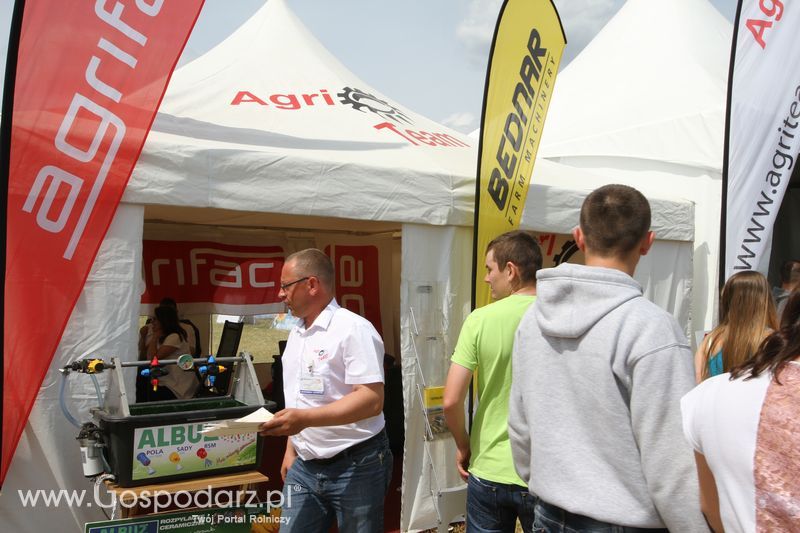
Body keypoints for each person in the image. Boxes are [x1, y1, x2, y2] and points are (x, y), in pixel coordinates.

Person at [508, 184, 707, 532]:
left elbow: (520, 426)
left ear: (579, 237)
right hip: (623, 518)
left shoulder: (532, 320)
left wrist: (548, 482)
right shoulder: (651, 328)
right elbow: (671, 462)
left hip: (550, 512)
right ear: (648, 242)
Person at [258, 249, 391, 533]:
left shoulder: (353, 330)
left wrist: (303, 420)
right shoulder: (297, 332)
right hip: (305, 465)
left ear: (312, 284)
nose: (281, 294)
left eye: (286, 285)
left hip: (357, 463)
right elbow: (300, 398)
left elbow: (371, 400)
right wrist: (290, 449)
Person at [443, 230, 541, 533]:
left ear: (510, 271)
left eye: (489, 269)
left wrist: (463, 445)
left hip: (489, 468)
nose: (486, 278)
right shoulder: (561, 316)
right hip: (544, 471)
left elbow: (450, 400)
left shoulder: (480, 320)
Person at [682, 289, 800, 532]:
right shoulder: (766, 338)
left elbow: (698, 377)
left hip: (721, 425)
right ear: (766, 303)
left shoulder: (711, 340)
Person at [694, 271, 777, 382]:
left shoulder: (709, 340)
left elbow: (700, 382)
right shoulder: (772, 339)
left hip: (719, 398)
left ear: (727, 299)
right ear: (764, 300)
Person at [143, 305, 200, 401]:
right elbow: (146, 356)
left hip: (177, 386)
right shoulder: (163, 337)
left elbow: (152, 359)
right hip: (166, 380)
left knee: (145, 387)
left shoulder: (175, 337)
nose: (151, 322)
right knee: (142, 382)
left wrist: (154, 336)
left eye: (154, 319)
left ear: (163, 321)